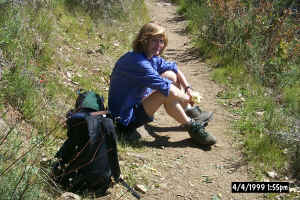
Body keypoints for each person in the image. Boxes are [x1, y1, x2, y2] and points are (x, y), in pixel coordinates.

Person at [108, 21, 216, 146]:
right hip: (124, 119)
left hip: (135, 103)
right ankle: (192, 126)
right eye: (154, 40)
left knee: (170, 75)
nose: (159, 45)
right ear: (144, 40)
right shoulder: (137, 62)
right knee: (165, 93)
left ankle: (189, 111)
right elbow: (167, 89)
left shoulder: (150, 56)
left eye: (161, 41)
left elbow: (174, 68)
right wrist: (188, 98)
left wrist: (188, 89)